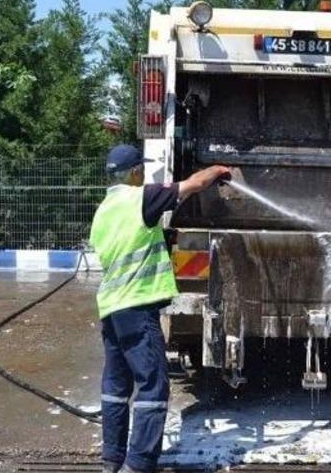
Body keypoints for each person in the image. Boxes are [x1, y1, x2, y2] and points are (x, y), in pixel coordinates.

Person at [89, 144, 229, 473]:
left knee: (116, 385)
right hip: (137, 306)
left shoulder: (104, 209)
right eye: (142, 170)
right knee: (153, 385)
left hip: (111, 308)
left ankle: (111, 458)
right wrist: (218, 171)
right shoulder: (141, 198)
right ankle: (138, 464)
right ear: (135, 172)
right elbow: (192, 184)